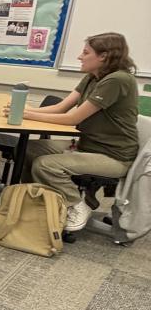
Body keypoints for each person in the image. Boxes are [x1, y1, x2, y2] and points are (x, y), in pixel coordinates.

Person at [17, 32, 140, 232]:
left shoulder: (117, 80)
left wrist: (27, 115)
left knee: (45, 165)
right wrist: (25, 110)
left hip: (113, 156)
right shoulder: (92, 77)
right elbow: (60, 108)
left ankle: (76, 204)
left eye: (85, 53)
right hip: (88, 146)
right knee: (29, 148)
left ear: (104, 56)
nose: (79, 57)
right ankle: (38, 200)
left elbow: (72, 119)